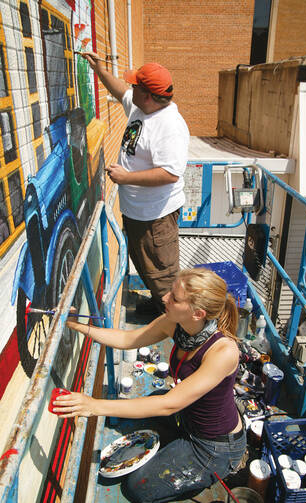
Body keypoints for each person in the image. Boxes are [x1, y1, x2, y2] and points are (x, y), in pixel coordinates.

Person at [53, 268, 246, 503]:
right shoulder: (175, 323)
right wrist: (77, 326)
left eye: (174, 298)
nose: (165, 298)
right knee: (154, 398)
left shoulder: (224, 351)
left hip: (213, 446)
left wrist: (93, 406)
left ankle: (212, 471)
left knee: (137, 488)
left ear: (197, 313)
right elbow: (127, 340)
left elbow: (168, 405)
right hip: (187, 417)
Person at [81, 53, 190, 314]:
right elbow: (121, 93)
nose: (130, 88)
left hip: (156, 220)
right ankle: (158, 309)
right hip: (138, 214)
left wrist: (125, 178)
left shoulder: (169, 126)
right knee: (146, 268)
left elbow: (170, 173)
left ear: (149, 94)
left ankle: (181, 335)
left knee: (164, 282)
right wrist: (100, 70)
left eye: (136, 86)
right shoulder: (143, 106)